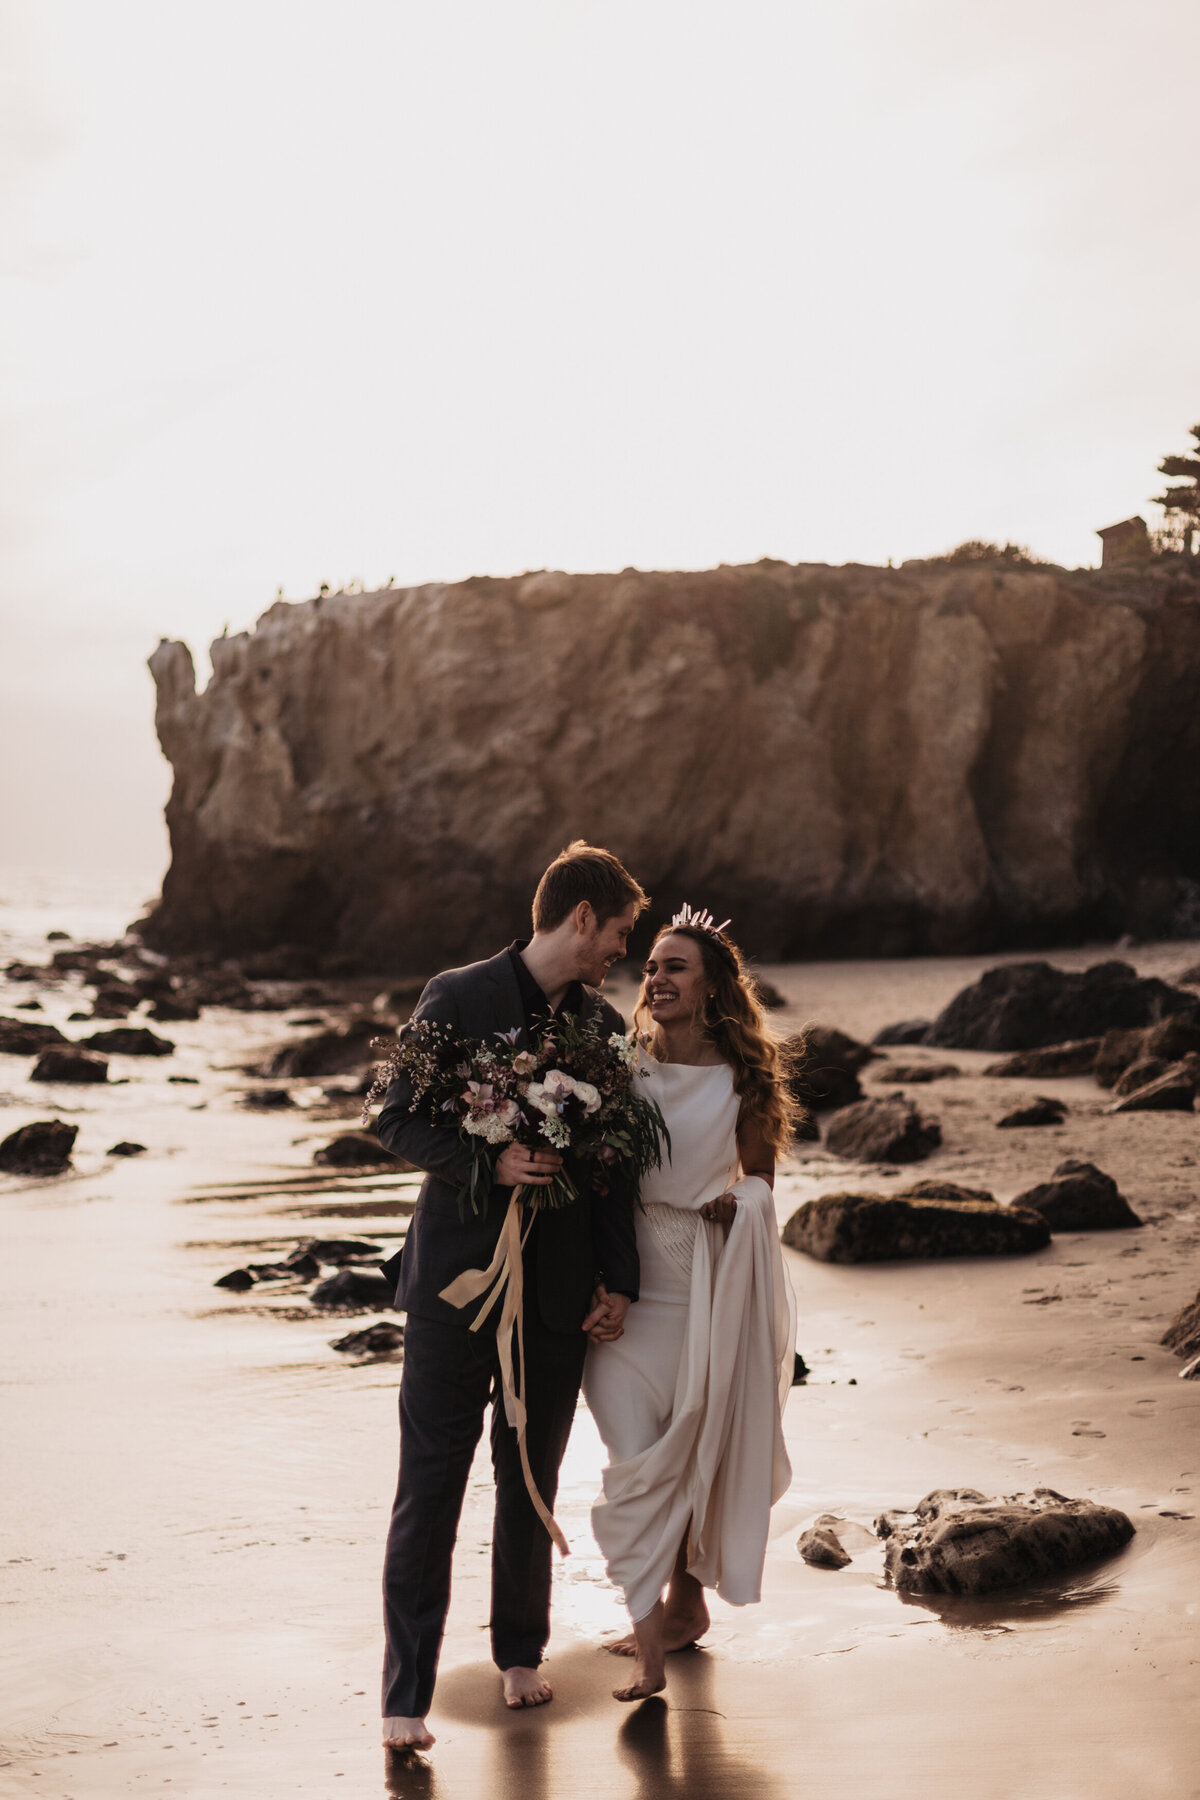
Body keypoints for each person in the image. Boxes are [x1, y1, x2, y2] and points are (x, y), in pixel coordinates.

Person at [375, 842, 648, 1752]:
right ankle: (404, 1695)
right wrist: (485, 1161)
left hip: (557, 1290)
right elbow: (394, 1115)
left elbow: (612, 1173)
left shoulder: (604, 1032)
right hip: (455, 1284)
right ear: (580, 917)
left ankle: (521, 1653)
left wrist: (620, 1281)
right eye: (616, 933)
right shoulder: (457, 995)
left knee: (531, 1479)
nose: (620, 952)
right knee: (431, 1483)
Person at [582, 905, 798, 1702]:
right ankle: (651, 1649)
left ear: (711, 989)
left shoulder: (744, 1075)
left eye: (676, 967)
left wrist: (736, 1207)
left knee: (689, 1453)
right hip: (623, 1285)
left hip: (703, 1280)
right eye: (651, 967)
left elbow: (761, 1184)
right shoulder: (618, 1063)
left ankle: (684, 1606)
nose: (657, 978)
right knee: (634, 1463)